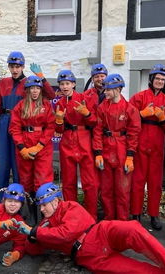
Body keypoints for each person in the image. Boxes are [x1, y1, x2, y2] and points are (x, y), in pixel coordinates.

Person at [13, 182, 165, 274]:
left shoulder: (70, 207)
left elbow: (65, 233)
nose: (42, 209)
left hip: (101, 234)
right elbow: (34, 249)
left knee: (133, 229)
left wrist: (34, 232)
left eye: (44, 204)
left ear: (55, 200)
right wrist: (30, 237)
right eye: (40, 206)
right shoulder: (43, 225)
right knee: (134, 271)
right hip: (89, 257)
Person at [0, 51, 56, 202]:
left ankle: (19, 202)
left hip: (23, 123)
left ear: (23, 67)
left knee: (19, 164)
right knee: (2, 162)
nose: (15, 70)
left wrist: (42, 77)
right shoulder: (3, 83)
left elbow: (51, 95)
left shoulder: (30, 83)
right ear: (8, 67)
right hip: (5, 121)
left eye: (18, 66)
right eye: (12, 66)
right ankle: (3, 202)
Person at [129, 64, 165, 230]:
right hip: (140, 144)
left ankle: (154, 215)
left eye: (163, 79)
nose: (160, 81)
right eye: (158, 78)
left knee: (155, 183)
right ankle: (136, 213)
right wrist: (141, 115)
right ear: (151, 79)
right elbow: (128, 120)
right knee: (138, 182)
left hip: (157, 146)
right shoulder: (138, 97)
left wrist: (162, 119)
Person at [92, 73, 141, 220]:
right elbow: (97, 131)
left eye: (108, 89)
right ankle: (109, 219)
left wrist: (130, 156)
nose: (105, 92)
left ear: (118, 89)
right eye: (104, 89)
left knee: (122, 189)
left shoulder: (130, 109)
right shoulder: (102, 108)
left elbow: (134, 133)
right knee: (106, 189)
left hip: (122, 149)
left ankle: (122, 220)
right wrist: (98, 153)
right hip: (106, 149)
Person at [9, 75, 55, 223]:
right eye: (32, 88)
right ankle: (31, 216)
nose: (34, 91)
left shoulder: (46, 105)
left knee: (42, 180)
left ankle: (44, 216)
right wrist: (22, 147)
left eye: (37, 88)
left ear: (41, 90)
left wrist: (40, 145)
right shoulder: (20, 106)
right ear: (27, 90)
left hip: (43, 147)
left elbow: (50, 127)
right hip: (24, 145)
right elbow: (14, 128)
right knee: (26, 180)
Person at [54, 70, 98, 219]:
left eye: (67, 83)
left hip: (84, 139)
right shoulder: (59, 103)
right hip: (67, 140)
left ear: (73, 84)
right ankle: (72, 215)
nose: (65, 86)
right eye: (62, 84)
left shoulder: (84, 99)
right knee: (68, 182)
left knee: (90, 182)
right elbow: (58, 130)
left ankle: (91, 215)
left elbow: (94, 123)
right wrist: (59, 120)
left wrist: (87, 113)